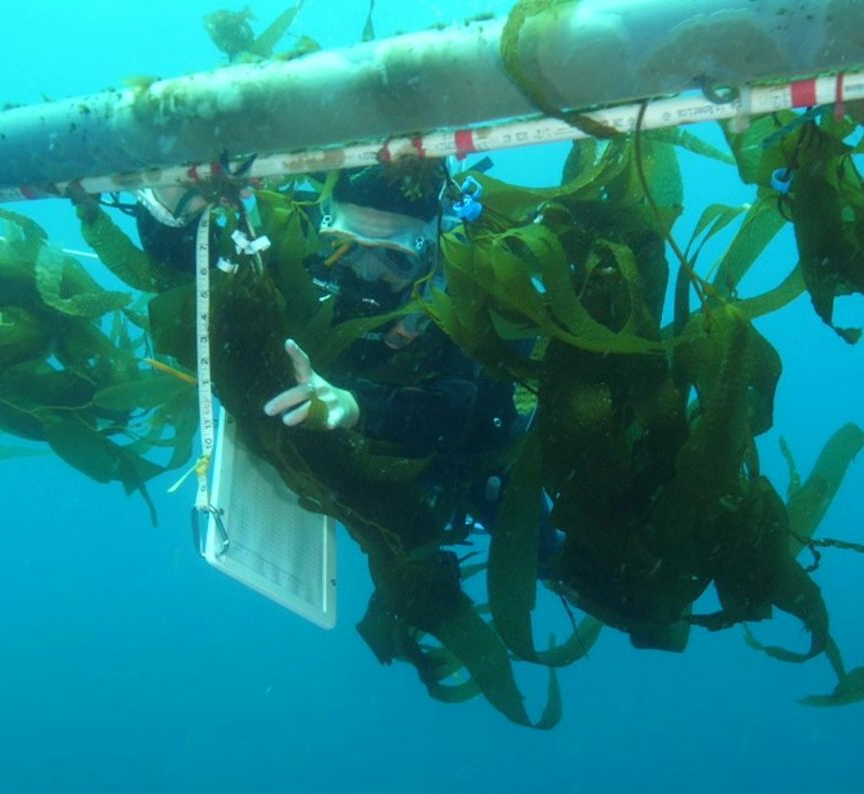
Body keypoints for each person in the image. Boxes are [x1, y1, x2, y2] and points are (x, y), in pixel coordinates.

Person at [135, 162, 557, 566]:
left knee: (543, 552)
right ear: (324, 223)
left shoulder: (465, 288)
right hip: (339, 453)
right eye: (344, 247)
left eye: (397, 258)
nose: (366, 272)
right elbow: (195, 275)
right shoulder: (291, 244)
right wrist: (168, 207)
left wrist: (356, 407)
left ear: (433, 245)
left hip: (457, 458)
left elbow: (461, 406)